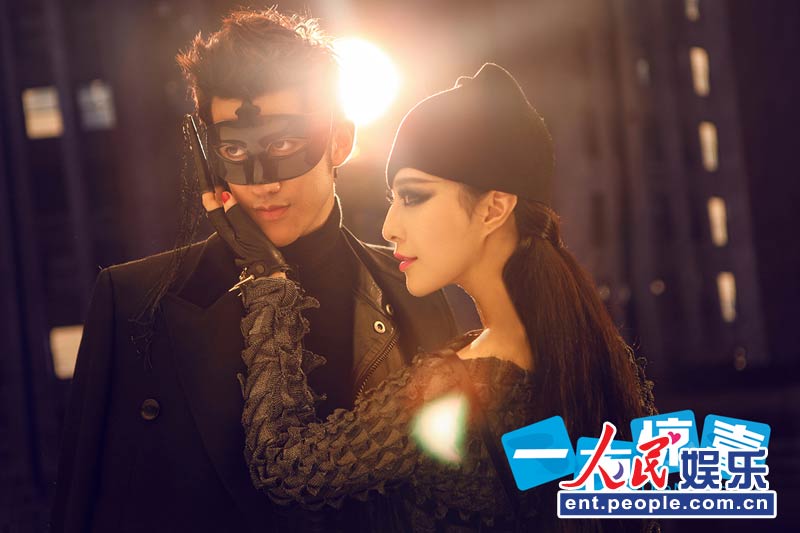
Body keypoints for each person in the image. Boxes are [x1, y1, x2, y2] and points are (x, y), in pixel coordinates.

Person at [50, 9, 458, 533]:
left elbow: (462, 475)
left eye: (284, 144)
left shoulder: (410, 286)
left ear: (339, 141)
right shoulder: (134, 302)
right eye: (235, 149)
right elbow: (83, 507)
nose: (263, 183)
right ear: (209, 156)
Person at [206, 63, 658, 532]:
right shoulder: (582, 359)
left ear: (494, 208)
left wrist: (268, 278)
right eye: (392, 200)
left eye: (413, 197)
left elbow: (288, 467)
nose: (389, 228)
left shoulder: (464, 384)